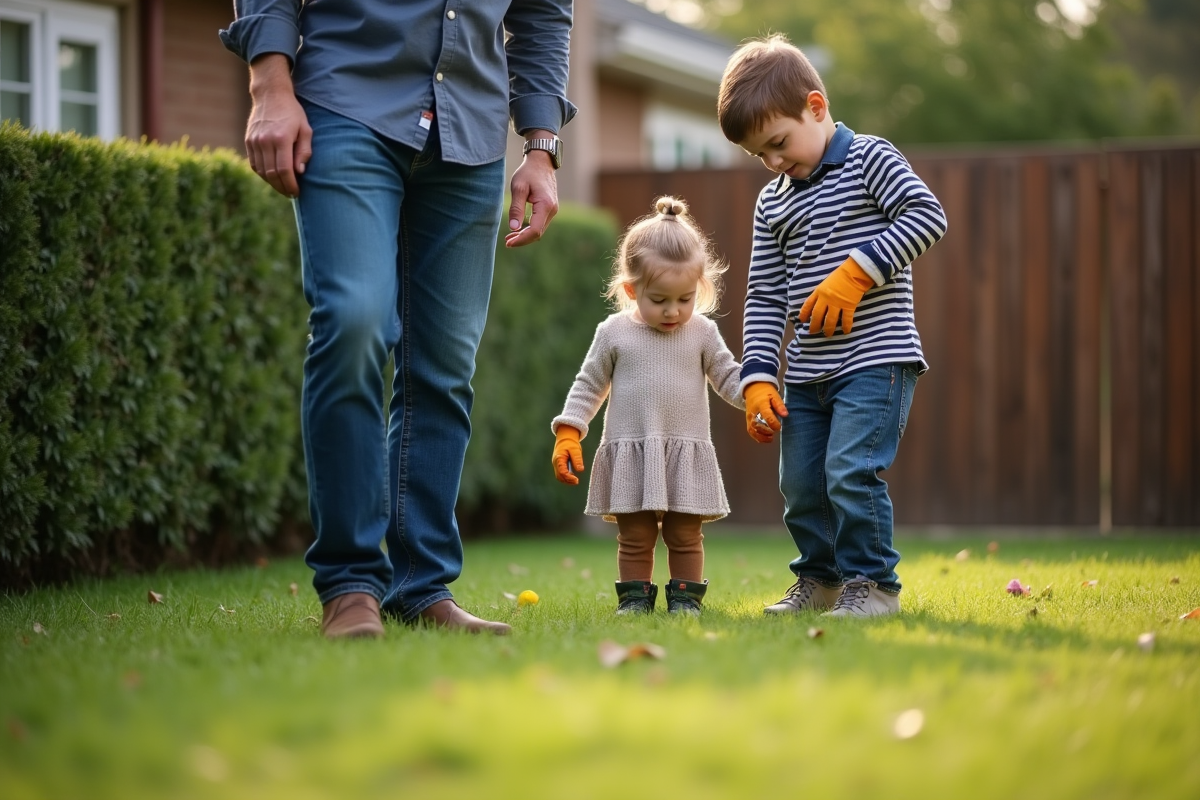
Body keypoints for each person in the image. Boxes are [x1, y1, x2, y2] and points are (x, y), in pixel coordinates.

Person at [220, 1, 576, 639]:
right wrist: (269, 85)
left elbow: (543, 13)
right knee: (354, 323)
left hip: (469, 132)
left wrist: (541, 146)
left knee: (443, 366)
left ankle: (421, 585)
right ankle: (351, 582)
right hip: (346, 103)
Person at [717, 34, 947, 618]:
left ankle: (874, 587)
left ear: (815, 108)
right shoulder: (773, 204)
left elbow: (927, 215)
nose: (772, 161)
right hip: (809, 371)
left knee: (850, 472)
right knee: (801, 487)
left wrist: (856, 274)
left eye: (778, 142)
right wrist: (759, 377)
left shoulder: (872, 158)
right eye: (759, 154)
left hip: (876, 358)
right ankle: (820, 581)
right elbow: (765, 295)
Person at [551, 196, 743, 616]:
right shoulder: (614, 332)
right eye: (659, 300)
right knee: (634, 536)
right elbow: (589, 384)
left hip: (683, 450)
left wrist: (755, 397)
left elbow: (728, 376)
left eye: (685, 298)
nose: (673, 311)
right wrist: (569, 431)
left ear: (700, 289)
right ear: (631, 289)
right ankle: (635, 599)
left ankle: (686, 601)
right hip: (632, 448)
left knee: (686, 535)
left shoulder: (704, 333)